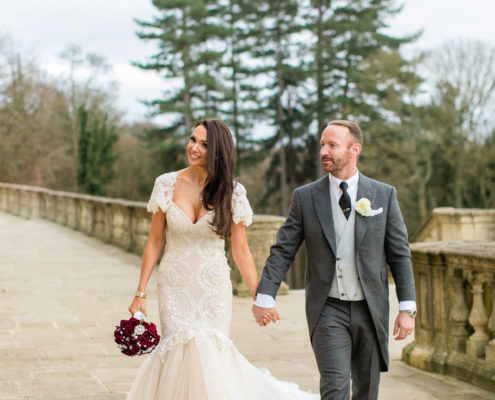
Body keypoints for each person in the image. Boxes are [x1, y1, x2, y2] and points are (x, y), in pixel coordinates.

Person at [126, 118, 318, 399]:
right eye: (193, 139)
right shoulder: (166, 184)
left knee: (210, 349)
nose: (194, 147)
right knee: (177, 346)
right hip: (174, 282)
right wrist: (140, 292)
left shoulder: (233, 192)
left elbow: (241, 250)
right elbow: (155, 242)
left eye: (204, 144)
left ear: (217, 151)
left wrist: (260, 296)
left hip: (212, 283)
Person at [252, 120, 416, 400]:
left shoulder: (384, 195)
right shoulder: (305, 197)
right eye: (322, 145)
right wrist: (265, 295)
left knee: (366, 390)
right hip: (328, 309)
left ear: (355, 150)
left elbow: (399, 254)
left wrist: (407, 307)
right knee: (335, 387)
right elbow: (283, 249)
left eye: (332, 145)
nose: (323, 152)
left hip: (370, 308)